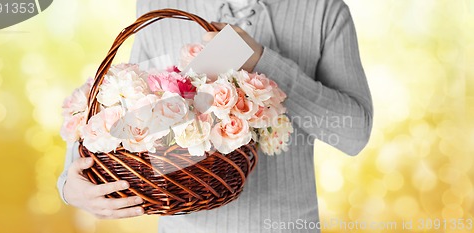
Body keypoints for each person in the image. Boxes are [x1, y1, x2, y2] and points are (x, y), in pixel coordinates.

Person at [57, 0, 373, 232]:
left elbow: (355, 134)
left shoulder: (324, 9)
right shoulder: (159, 6)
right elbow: (123, 106)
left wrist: (263, 62)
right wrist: (69, 186)